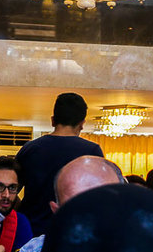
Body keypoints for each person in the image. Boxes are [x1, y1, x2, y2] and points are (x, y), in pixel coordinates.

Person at [15, 92, 104, 235]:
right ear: (82, 124)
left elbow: (12, 190)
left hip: (31, 229)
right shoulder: (92, 151)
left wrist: (23, 213)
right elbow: (99, 198)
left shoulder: (30, 149)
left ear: (53, 120)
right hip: (72, 231)